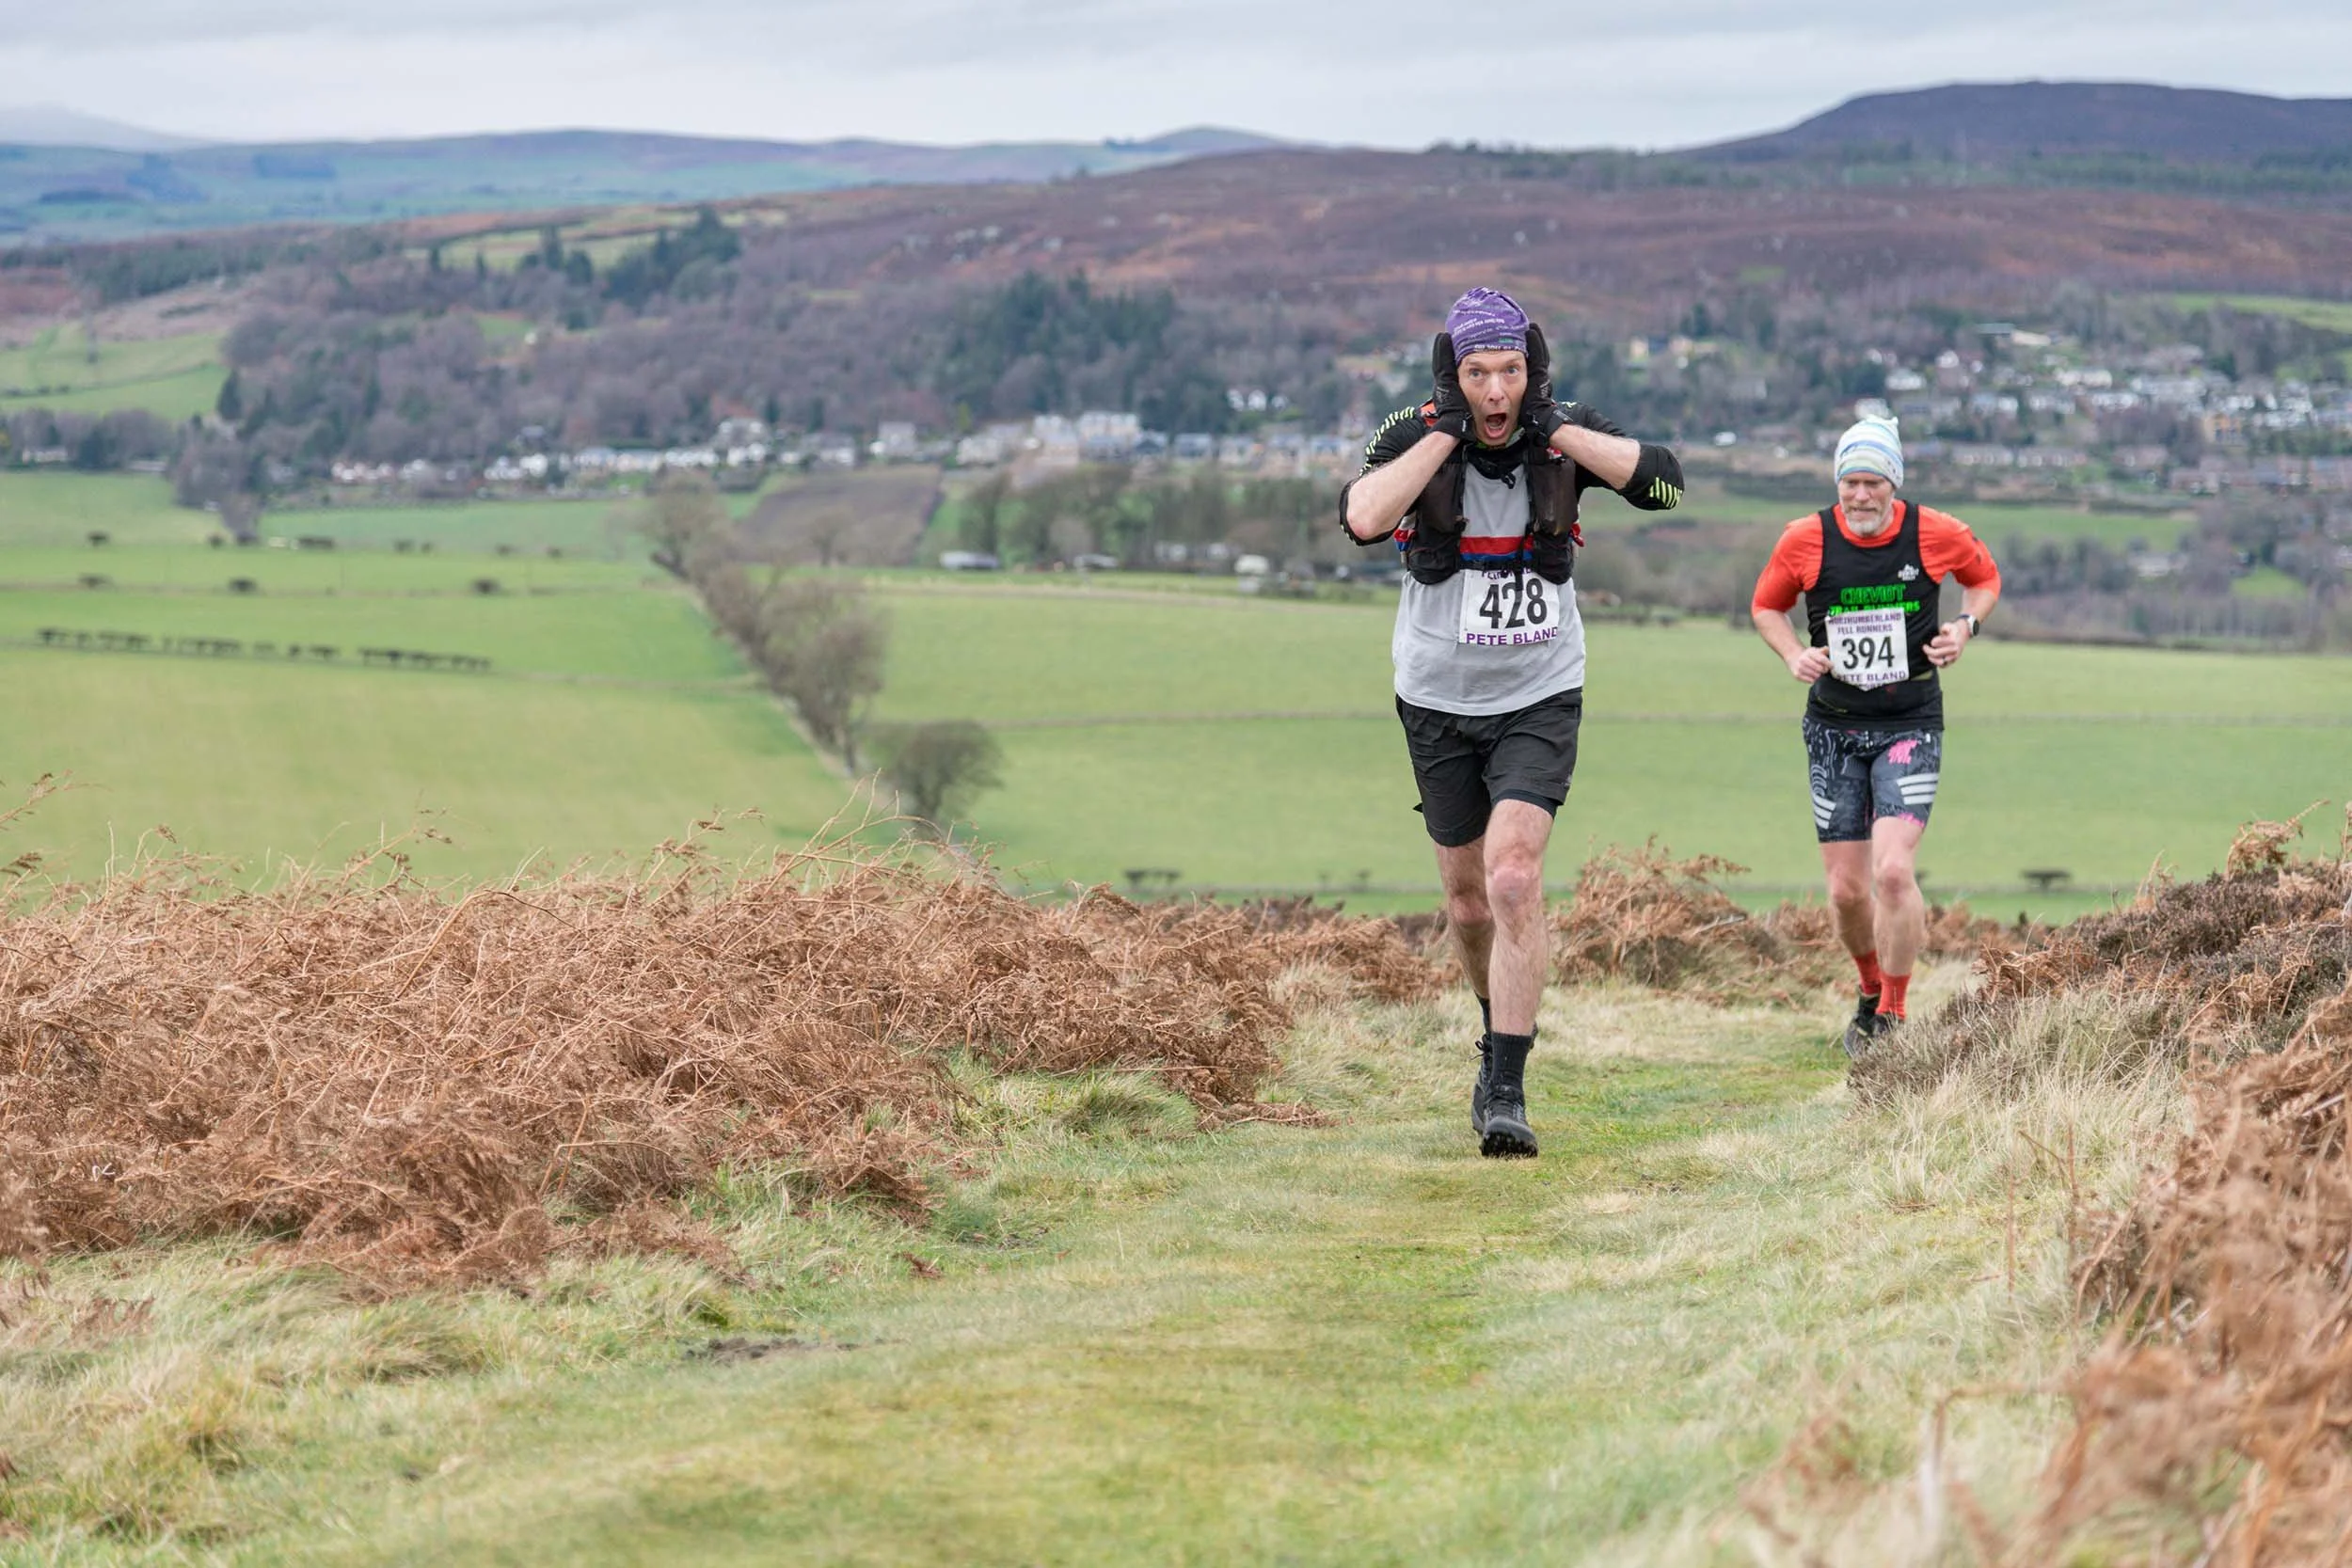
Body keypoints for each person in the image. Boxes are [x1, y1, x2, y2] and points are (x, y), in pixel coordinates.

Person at [1340, 288, 1685, 1157]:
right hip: (1436, 699)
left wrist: (1551, 426)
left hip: (1539, 691)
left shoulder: (1562, 428)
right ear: (1451, 375)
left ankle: (1507, 1088)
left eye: (1511, 372)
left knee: (1514, 879)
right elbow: (1362, 517)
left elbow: (1667, 484)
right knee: (1464, 902)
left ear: (1533, 371)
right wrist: (1447, 432)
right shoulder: (1410, 432)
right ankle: (1495, 1019)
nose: (1496, 392)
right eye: (1477, 374)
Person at [1748, 415, 2002, 1054]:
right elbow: (1764, 606)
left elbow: (1985, 579)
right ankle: (1867, 991)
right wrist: (1790, 655)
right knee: (1846, 889)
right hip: (1833, 725)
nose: (1860, 496)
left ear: (1894, 484)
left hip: (1909, 721)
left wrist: (1964, 628)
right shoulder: (1805, 538)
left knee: (1893, 873)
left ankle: (1893, 1011)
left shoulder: (1937, 532)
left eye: (1872, 483)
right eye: (1849, 483)